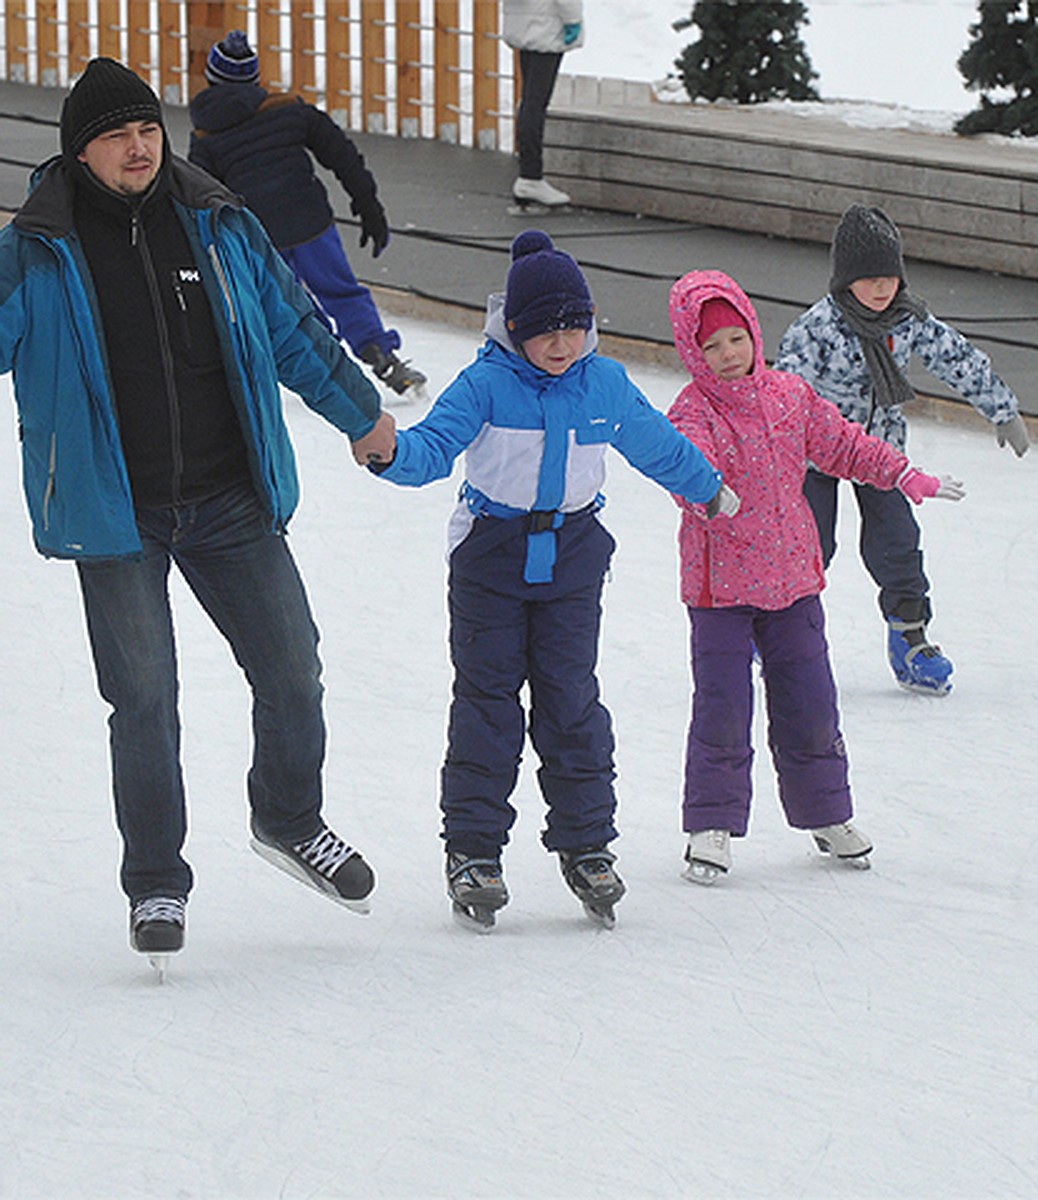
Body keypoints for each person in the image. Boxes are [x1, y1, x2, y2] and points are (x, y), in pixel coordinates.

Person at [0, 57, 398, 963]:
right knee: (144, 701)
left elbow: (296, 326)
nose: (138, 148)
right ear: (80, 152)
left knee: (293, 671)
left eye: (147, 130)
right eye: (115, 135)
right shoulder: (35, 247)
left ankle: (290, 818)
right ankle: (156, 887)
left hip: (228, 496)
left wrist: (363, 417)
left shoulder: (218, 221)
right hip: (114, 511)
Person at [362, 230, 730, 930]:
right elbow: (432, 449)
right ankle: (474, 852)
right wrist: (389, 455)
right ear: (516, 329)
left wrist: (708, 488)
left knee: (571, 701)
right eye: (545, 332)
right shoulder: (485, 384)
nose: (561, 345)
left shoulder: (604, 384)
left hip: (573, 555)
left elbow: (656, 444)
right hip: (491, 558)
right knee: (487, 704)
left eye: (574, 327)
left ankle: (587, 843)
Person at [667, 269, 965, 884]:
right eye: (711, 346)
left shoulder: (787, 397)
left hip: (792, 583)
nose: (727, 356)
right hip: (720, 592)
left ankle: (827, 815)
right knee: (723, 708)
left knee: (811, 705)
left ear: (754, 333)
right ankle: (712, 823)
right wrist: (705, 494)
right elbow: (681, 468)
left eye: (735, 340)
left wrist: (904, 475)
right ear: (692, 351)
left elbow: (846, 446)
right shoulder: (693, 411)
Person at [775, 203, 1030, 695]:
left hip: (879, 454)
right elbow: (785, 393)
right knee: (809, 546)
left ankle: (910, 639)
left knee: (897, 546)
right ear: (846, 279)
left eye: (889, 276)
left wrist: (1003, 408)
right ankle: (782, 635)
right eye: (869, 278)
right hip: (815, 453)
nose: (881, 288)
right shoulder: (818, 328)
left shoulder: (908, 319)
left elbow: (956, 356)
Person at [189, 30, 426, 401]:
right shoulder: (289, 110)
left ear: (211, 79)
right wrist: (368, 203)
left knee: (291, 307)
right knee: (341, 291)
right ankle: (380, 353)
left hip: (261, 237)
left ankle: (329, 364)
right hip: (311, 223)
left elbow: (201, 194)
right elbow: (342, 153)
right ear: (255, 78)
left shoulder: (205, 135)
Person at [502, 0, 583, 209]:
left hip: (524, 21)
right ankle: (531, 176)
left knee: (529, 100)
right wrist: (573, 19)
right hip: (547, 22)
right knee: (536, 103)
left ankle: (528, 173)